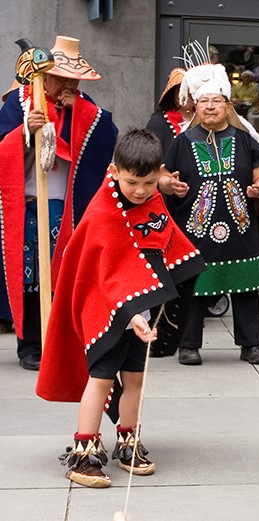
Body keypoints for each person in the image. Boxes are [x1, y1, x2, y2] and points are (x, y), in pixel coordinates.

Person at [35, 129, 205, 487]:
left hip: (139, 313)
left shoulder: (152, 202)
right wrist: (132, 315)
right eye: (131, 182)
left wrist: (156, 305)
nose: (140, 191)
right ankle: (85, 449)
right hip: (106, 313)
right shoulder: (103, 211)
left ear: (160, 172)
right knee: (99, 380)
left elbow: (164, 248)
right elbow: (108, 275)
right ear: (114, 171)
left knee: (135, 378)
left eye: (147, 182)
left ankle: (128, 439)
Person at [0, 36, 118, 371]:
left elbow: (106, 141)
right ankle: (30, 345)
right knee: (31, 277)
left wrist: (79, 112)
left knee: (65, 275)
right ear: (44, 76)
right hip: (26, 204)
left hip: (66, 206)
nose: (67, 84)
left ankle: (63, 341)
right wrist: (25, 130)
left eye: (73, 79)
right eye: (60, 77)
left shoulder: (85, 106)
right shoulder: (19, 103)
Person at [164, 41, 259, 366]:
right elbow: (160, 176)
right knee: (195, 287)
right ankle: (188, 345)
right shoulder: (181, 142)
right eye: (204, 102)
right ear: (195, 106)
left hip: (240, 229)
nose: (210, 107)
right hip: (195, 231)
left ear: (228, 105)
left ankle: (251, 344)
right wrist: (170, 183)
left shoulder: (244, 140)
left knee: (245, 287)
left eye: (217, 101)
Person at [145, 67, 194, 153]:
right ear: (172, 93)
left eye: (191, 89)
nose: (188, 94)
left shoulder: (204, 119)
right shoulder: (158, 123)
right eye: (182, 90)